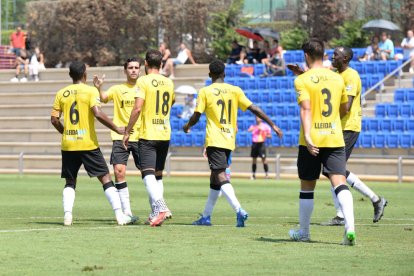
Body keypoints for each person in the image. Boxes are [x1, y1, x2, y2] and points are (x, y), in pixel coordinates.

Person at [183, 59, 283, 227]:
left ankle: (239, 210)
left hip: (215, 139)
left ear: (210, 75)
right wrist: (272, 124)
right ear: (224, 73)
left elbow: (196, 115)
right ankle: (206, 216)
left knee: (220, 175)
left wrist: (187, 125)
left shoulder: (205, 91)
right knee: (215, 178)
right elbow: (254, 108)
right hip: (229, 139)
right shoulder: (235, 90)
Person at [50, 61, 136, 226]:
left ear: (70, 75)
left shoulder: (61, 93)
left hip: (68, 144)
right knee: (105, 178)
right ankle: (120, 215)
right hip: (88, 144)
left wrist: (65, 132)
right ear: (84, 74)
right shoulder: (90, 91)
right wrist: (116, 127)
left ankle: (67, 215)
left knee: (70, 181)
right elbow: (97, 113)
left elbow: (54, 120)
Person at [288, 38, 356, 245]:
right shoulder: (338, 79)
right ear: (323, 54)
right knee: (340, 183)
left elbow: (306, 108)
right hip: (334, 137)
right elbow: (344, 109)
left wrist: (308, 136)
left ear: (306, 56)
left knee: (307, 186)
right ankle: (350, 228)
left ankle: (305, 233)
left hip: (312, 139)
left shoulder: (301, 80)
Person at [319, 47, 388, 226]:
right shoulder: (336, 74)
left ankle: (344, 214)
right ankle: (374, 200)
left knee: (332, 170)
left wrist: (329, 120)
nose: (333, 57)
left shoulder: (351, 75)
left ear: (346, 58)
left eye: (336, 54)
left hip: (347, 127)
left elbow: (346, 106)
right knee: (332, 169)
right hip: (338, 128)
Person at [123, 49, 175, 227]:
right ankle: (155, 213)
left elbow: (137, 108)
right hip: (165, 132)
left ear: (145, 64)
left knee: (147, 174)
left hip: (149, 134)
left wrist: (127, 131)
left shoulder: (143, 81)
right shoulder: (169, 82)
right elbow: (172, 101)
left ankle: (161, 207)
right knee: (157, 175)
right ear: (161, 64)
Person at [93, 57, 142, 220]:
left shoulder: (144, 88)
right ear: (125, 70)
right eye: (130, 67)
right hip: (120, 137)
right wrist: (99, 88)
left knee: (150, 174)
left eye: (136, 67)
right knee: (118, 171)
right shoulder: (117, 89)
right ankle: (127, 212)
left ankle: (158, 209)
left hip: (142, 136)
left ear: (140, 70)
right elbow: (104, 98)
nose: (134, 70)